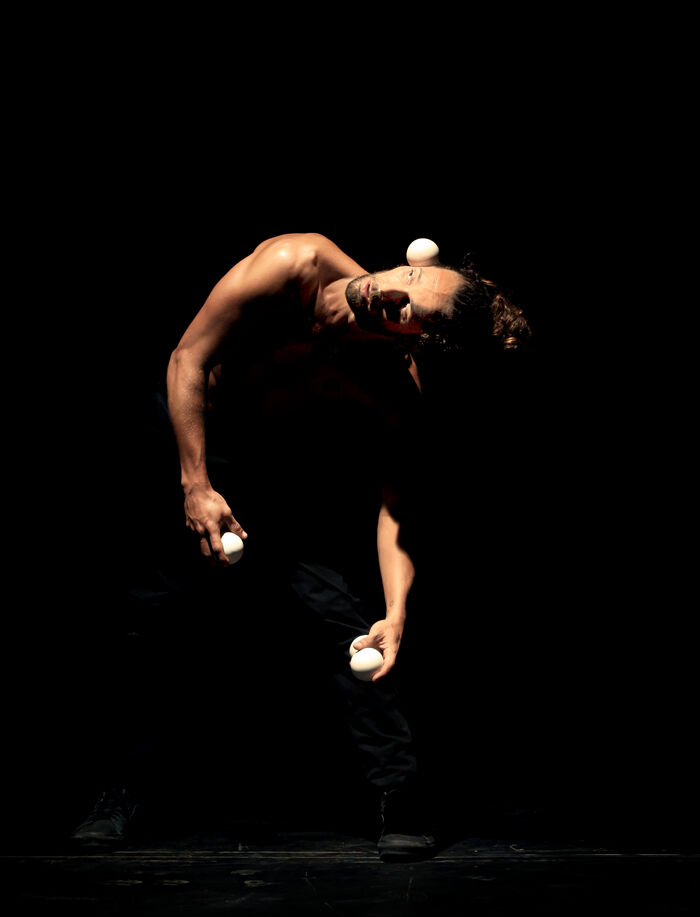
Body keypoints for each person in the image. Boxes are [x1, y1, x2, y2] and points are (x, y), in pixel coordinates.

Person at [71, 232, 530, 861]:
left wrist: (396, 612)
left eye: (407, 311)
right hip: (194, 428)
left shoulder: (392, 379)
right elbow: (187, 359)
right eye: (408, 279)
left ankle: (400, 794)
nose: (391, 293)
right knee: (148, 619)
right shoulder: (296, 265)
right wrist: (196, 485)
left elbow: (395, 505)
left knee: (348, 624)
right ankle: (117, 790)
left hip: (278, 460)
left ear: (413, 342)